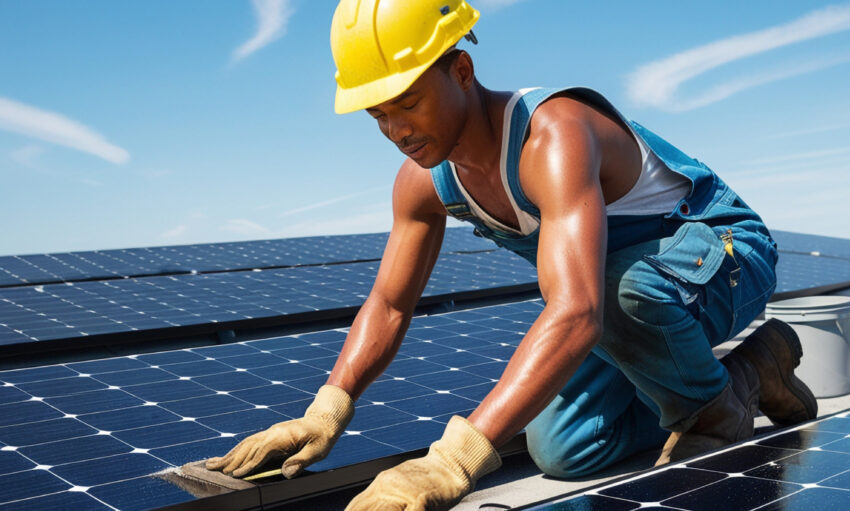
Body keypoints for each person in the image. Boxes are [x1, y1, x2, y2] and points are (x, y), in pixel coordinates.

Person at [207, 1, 818, 509]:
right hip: (627, 297)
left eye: (408, 102)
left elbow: (577, 311)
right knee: (565, 449)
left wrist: (451, 462)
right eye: (378, 115)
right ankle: (748, 374)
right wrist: (326, 410)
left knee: (609, 288)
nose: (398, 131)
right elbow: (391, 304)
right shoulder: (424, 182)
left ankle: (714, 417)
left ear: (462, 70)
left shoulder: (552, 135)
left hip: (724, 256)